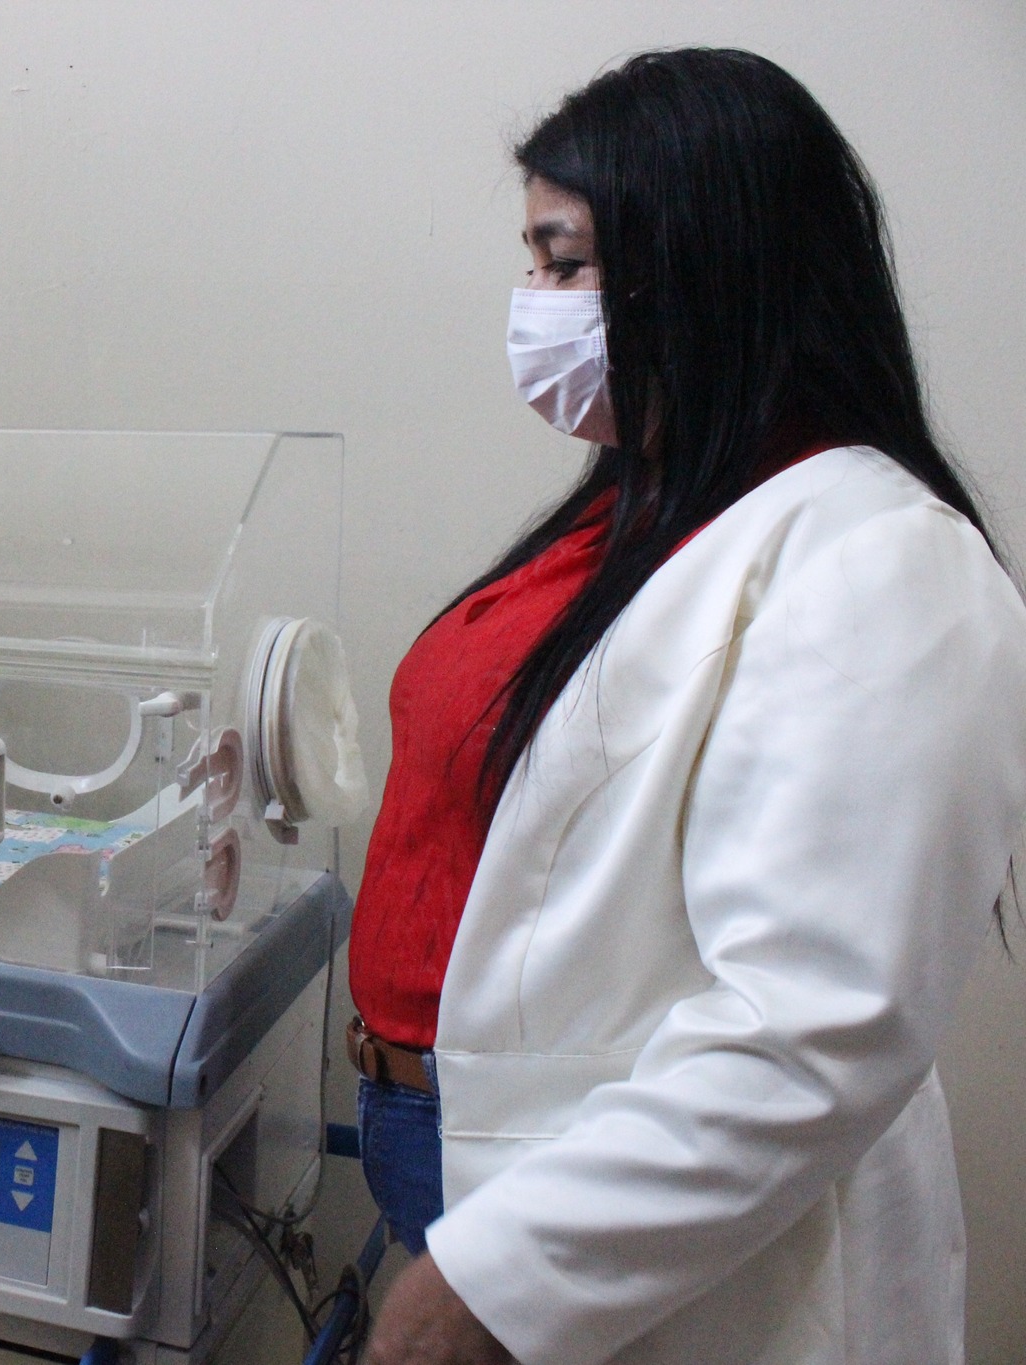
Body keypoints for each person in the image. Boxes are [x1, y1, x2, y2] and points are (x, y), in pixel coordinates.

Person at [344, 48, 1026, 1365]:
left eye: (564, 263)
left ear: (707, 262)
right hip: (459, 1131)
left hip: (620, 1212)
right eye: (533, 263)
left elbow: (814, 1023)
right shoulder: (647, 504)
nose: (534, 307)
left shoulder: (882, 562)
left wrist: (499, 1278)